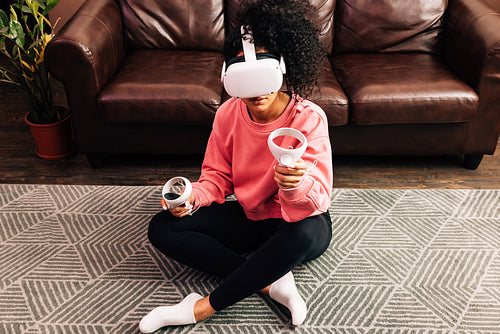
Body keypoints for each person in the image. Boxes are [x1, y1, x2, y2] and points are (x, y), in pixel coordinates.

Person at [139, 0, 332, 332]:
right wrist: (192, 198)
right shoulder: (228, 114)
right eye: (242, 74)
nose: (255, 90)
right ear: (228, 75)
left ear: (283, 66)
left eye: (263, 72)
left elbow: (318, 199)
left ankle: (199, 308)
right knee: (163, 228)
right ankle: (271, 282)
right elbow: (216, 178)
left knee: (306, 232)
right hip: (250, 215)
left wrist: (295, 183)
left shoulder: (308, 118)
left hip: (295, 221)